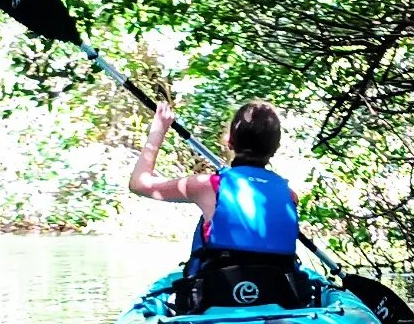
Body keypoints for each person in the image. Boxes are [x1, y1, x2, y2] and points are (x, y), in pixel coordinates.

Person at [128, 100, 309, 311]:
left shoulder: (208, 186)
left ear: (229, 141)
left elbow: (139, 184)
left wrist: (159, 127)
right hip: (280, 299)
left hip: (215, 301)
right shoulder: (289, 196)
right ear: (276, 147)